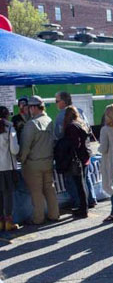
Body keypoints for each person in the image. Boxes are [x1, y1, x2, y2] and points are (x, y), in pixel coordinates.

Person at [20, 96, 59, 225]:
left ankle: (38, 218)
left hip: (33, 163)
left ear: (33, 107)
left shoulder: (31, 124)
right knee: (49, 188)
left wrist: (21, 159)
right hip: (48, 161)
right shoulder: (49, 120)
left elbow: (25, 147)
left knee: (36, 192)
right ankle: (54, 214)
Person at [54, 91, 96, 209]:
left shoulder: (62, 115)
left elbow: (58, 135)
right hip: (85, 151)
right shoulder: (81, 112)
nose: (56, 104)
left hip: (72, 154)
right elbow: (88, 129)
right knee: (86, 177)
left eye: (57, 101)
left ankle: (79, 204)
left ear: (63, 101)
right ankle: (91, 199)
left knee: (73, 180)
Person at [62, 106, 93, 218]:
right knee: (83, 183)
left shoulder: (71, 126)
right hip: (85, 157)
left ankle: (83, 209)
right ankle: (85, 206)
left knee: (79, 185)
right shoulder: (82, 123)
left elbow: (75, 144)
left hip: (77, 159)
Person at [0, 107, 19, 231]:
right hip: (7, 166)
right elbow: (14, 149)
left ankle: (0, 221)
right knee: (8, 195)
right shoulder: (10, 129)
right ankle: (8, 221)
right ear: (7, 115)